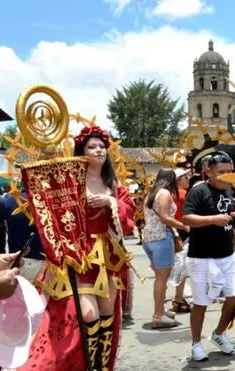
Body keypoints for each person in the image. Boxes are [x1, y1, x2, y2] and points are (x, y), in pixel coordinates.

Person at [19, 125, 136, 371]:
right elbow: (48, 201)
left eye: (102, 147)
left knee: (107, 316)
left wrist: (110, 201)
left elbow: (129, 212)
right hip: (79, 253)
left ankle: (102, 366)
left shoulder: (112, 183)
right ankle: (86, 365)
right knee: (88, 314)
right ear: (81, 151)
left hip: (108, 256)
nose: (98, 151)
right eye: (92, 147)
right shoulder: (70, 179)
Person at [182, 153, 235, 361]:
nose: (226, 176)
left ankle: (218, 333)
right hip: (201, 257)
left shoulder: (229, 189)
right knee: (201, 302)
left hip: (226, 255)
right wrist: (212, 220)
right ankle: (196, 343)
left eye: (229, 172)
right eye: (221, 173)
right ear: (208, 172)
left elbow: (230, 212)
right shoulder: (199, 190)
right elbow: (187, 218)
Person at [142, 168, 189, 328]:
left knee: (160, 277)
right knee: (162, 278)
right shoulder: (164, 193)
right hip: (161, 237)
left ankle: (160, 310)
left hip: (149, 237)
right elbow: (165, 217)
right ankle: (158, 314)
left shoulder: (152, 192)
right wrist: (183, 226)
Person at [1, 191, 44, 281]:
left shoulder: (9, 200)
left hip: (17, 258)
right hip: (42, 258)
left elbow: (6, 225)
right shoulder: (44, 198)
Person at [172, 168, 192, 313]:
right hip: (184, 231)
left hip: (175, 231)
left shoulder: (171, 194)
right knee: (182, 267)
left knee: (180, 266)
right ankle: (178, 299)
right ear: (179, 179)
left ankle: (179, 297)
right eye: (185, 177)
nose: (188, 179)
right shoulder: (183, 194)